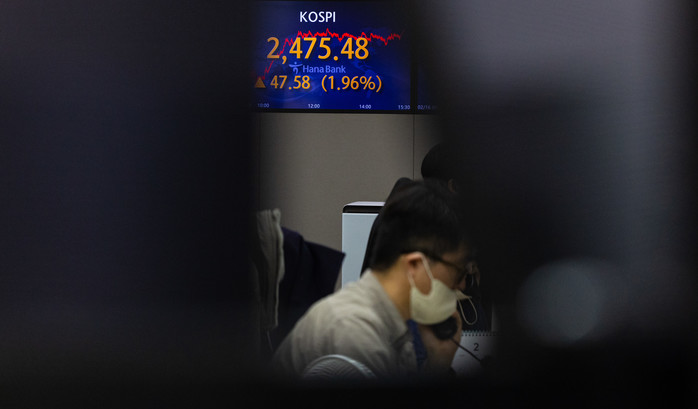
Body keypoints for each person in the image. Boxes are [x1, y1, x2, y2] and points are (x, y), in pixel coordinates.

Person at [271, 179, 474, 379]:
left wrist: (437, 366)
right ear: (415, 266)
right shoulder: (355, 335)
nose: (462, 285)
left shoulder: (393, 326)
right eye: (459, 272)